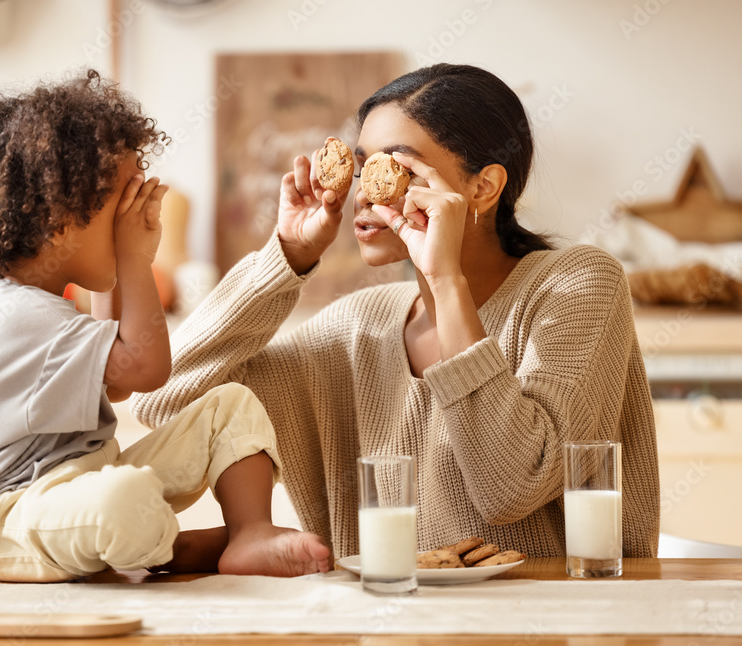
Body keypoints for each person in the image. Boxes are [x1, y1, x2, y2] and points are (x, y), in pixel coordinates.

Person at [133, 63, 660, 560]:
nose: (365, 192)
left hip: (553, 624)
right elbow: (167, 400)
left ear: (483, 187)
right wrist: (287, 256)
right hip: (385, 624)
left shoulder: (576, 284)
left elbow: (511, 487)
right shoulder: (359, 325)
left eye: (396, 167)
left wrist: (444, 279)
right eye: (362, 168)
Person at [0, 69, 331, 582]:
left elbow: (114, 385)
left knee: (228, 405)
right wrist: (135, 260)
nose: (135, 217)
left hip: (75, 486)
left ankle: (249, 532)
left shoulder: (38, 307)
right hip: (2, 519)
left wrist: (118, 263)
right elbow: (145, 369)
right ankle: (172, 551)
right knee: (125, 497)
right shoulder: (16, 317)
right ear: (60, 222)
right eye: (123, 204)